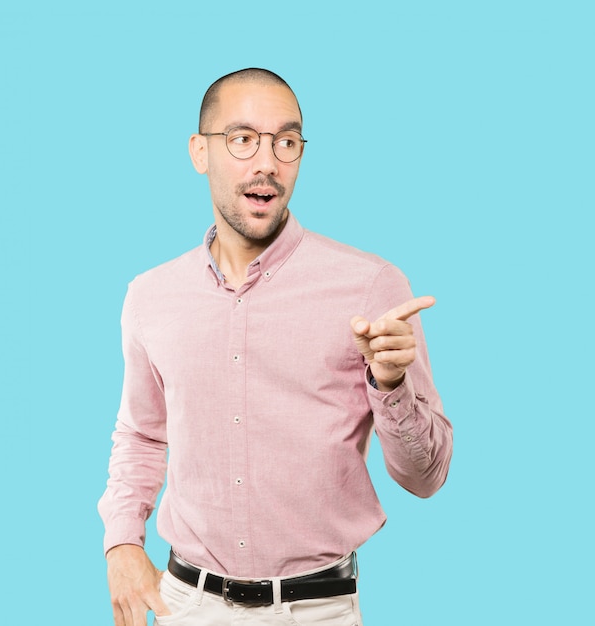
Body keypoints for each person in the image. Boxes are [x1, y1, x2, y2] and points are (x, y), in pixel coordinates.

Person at [98, 67, 453, 626]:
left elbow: (426, 477)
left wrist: (390, 385)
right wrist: (121, 545)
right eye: (242, 140)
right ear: (200, 151)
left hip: (318, 610)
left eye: (285, 142)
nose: (267, 162)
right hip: (186, 605)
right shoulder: (150, 295)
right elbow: (141, 434)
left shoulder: (369, 287)